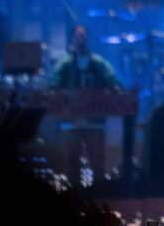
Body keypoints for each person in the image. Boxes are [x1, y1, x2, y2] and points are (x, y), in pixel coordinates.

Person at [48, 24, 121, 187]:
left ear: (88, 39)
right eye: (77, 37)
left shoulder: (99, 63)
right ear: (72, 40)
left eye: (83, 36)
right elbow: (52, 86)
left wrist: (114, 92)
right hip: (71, 122)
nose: (81, 40)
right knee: (72, 165)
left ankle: (99, 200)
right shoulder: (64, 64)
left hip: (95, 122)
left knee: (98, 166)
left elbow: (114, 82)